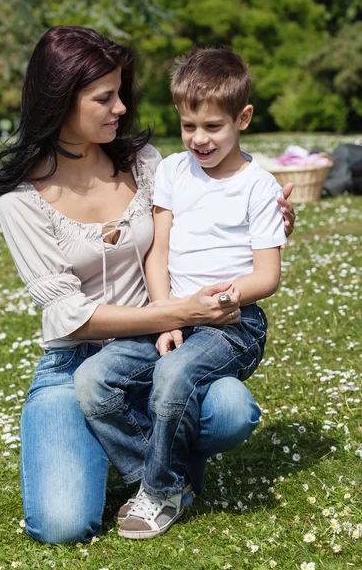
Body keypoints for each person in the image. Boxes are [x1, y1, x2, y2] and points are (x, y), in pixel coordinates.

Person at [0, 26, 295, 545]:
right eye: (105, 97)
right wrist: (177, 313)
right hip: (79, 359)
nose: (122, 107)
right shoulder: (20, 199)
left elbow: (213, 213)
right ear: (62, 98)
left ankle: (157, 476)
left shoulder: (148, 163)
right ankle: (152, 467)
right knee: (62, 526)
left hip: (166, 343)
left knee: (230, 409)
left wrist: (270, 219)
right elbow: (74, 315)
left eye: (121, 93)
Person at [74, 47, 287, 540]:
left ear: (244, 118)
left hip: (234, 324)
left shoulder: (258, 186)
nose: (199, 139)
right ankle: (166, 475)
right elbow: (158, 253)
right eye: (189, 126)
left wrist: (223, 300)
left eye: (213, 126)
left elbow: (267, 276)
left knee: (173, 373)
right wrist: (168, 317)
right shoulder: (172, 170)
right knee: (92, 381)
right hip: (173, 315)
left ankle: (158, 491)